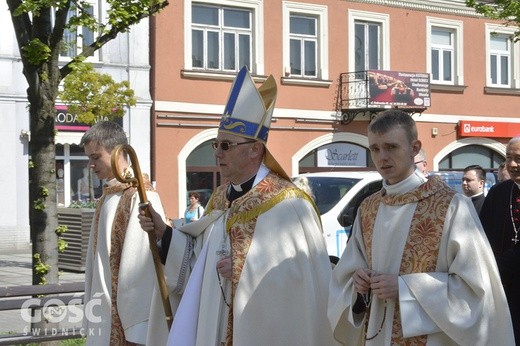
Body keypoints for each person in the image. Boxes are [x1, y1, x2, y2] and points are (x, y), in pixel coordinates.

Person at [139, 66, 337, 346]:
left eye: (226, 146)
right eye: (216, 145)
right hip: (215, 323)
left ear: (255, 149)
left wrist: (247, 267)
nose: (218, 153)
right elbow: (199, 261)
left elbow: (304, 280)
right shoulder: (220, 198)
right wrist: (165, 234)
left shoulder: (289, 203)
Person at [328, 109, 514, 345]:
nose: (381, 157)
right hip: (377, 333)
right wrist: (358, 283)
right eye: (375, 149)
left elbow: (476, 292)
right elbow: (344, 277)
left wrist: (405, 289)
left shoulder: (451, 207)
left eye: (391, 147)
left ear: (415, 148)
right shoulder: (368, 208)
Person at [80, 121, 167, 345]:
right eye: (89, 158)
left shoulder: (140, 195)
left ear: (117, 151)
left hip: (126, 324)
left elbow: (140, 269)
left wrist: (137, 331)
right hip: (103, 311)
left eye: (95, 157)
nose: (91, 164)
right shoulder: (109, 195)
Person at [480, 136, 520, 343]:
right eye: (508, 158)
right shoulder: (498, 193)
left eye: (519, 159)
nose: (512, 165)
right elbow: (480, 236)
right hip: (501, 288)